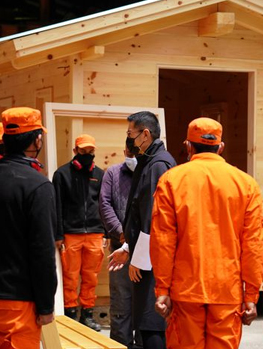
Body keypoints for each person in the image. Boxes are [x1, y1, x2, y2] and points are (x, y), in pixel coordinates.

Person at [150, 117, 263, 349]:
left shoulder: (171, 180)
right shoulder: (246, 184)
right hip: (227, 291)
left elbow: (163, 240)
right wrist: (251, 295)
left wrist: (163, 290)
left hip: (185, 290)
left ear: (188, 146)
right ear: (220, 147)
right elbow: (253, 244)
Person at [0, 107, 57, 349]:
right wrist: (46, 304)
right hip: (19, 302)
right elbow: (42, 250)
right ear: (37, 139)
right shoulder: (38, 185)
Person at [110, 111, 176, 349]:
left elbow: (152, 218)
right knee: (144, 321)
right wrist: (128, 246)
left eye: (131, 134)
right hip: (146, 254)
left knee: (151, 322)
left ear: (145, 134)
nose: (129, 139)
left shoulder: (158, 164)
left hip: (153, 261)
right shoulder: (148, 160)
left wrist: (139, 258)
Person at [53, 134, 105, 331]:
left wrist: (106, 232)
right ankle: (70, 313)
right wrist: (58, 235)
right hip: (70, 233)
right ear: (75, 151)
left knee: (91, 277)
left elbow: (104, 205)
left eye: (90, 151)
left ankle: (88, 314)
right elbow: (56, 206)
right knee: (70, 276)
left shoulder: (100, 175)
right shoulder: (62, 174)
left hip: (95, 233)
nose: (86, 154)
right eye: (82, 151)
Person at [99, 146, 139, 348]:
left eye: (137, 155)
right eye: (130, 154)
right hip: (119, 248)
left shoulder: (152, 171)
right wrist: (122, 233)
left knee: (146, 306)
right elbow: (104, 204)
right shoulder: (113, 173)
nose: (134, 159)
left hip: (147, 251)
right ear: (124, 152)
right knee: (121, 306)